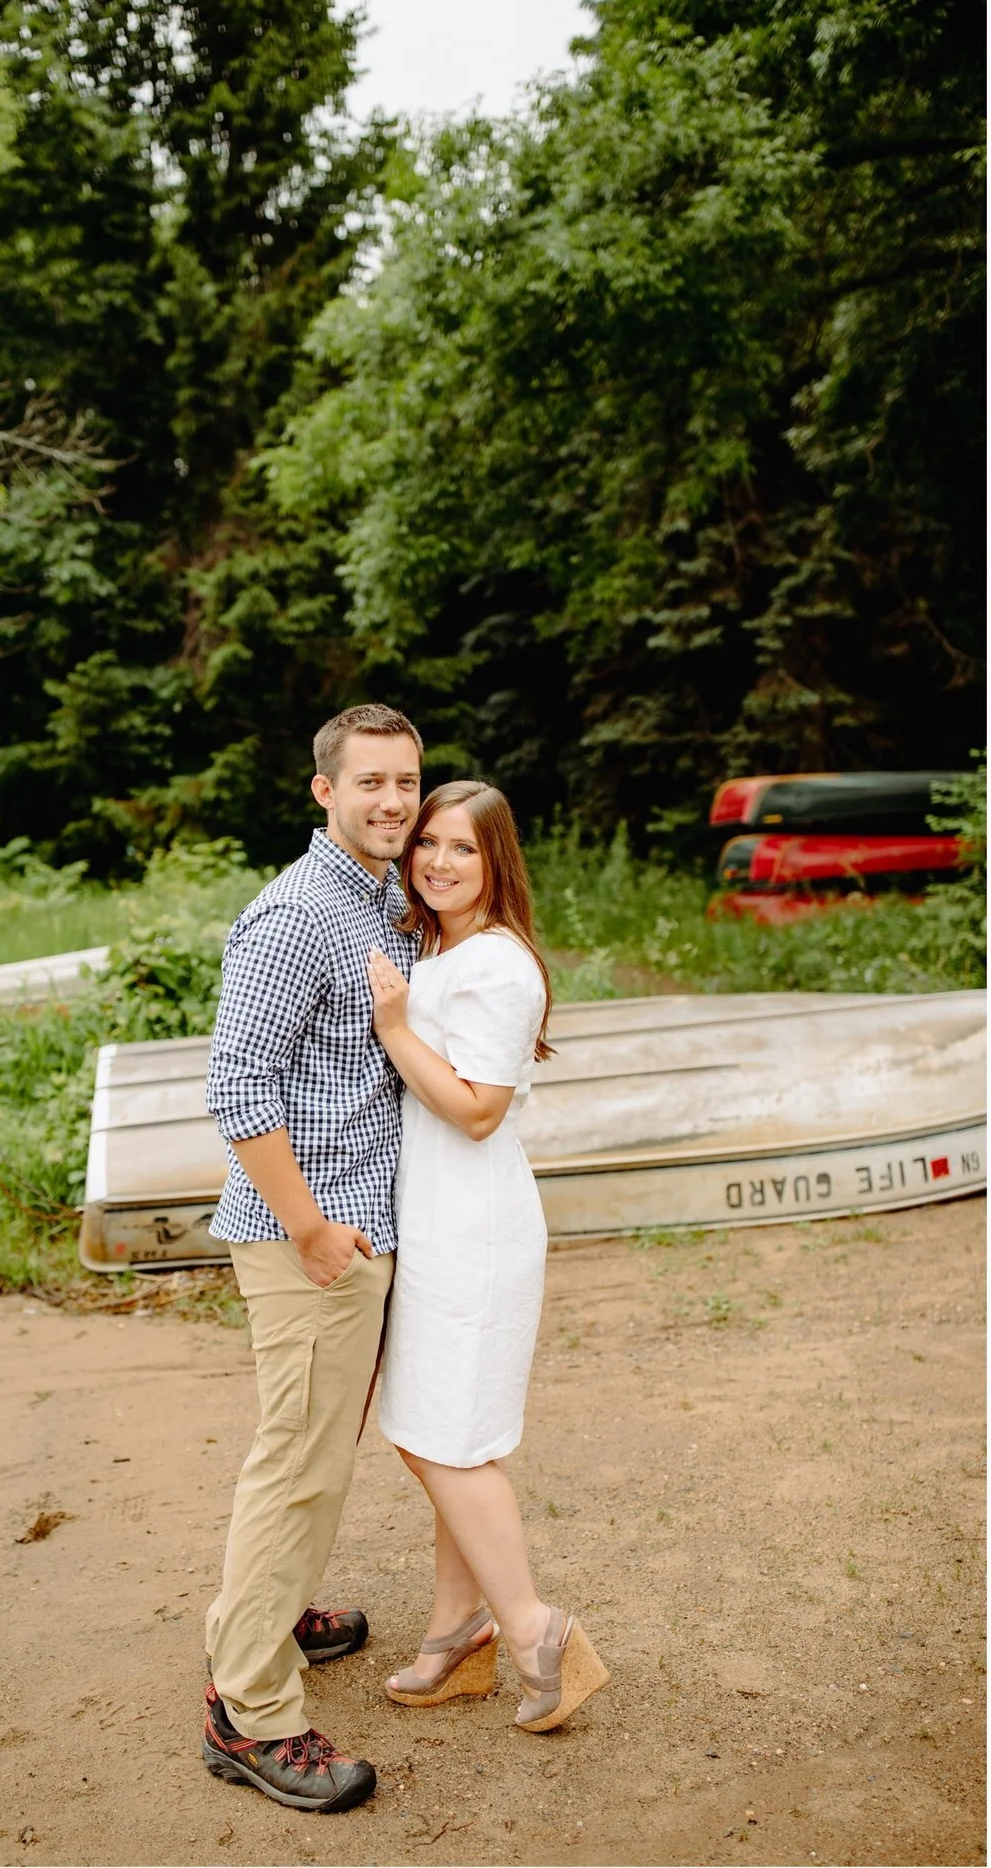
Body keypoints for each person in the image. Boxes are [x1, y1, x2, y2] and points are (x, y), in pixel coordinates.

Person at [198, 703, 424, 1814]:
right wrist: (311, 1227)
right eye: (370, 781)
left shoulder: (379, 899)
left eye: (405, 781)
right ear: (323, 790)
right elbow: (237, 1084)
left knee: (310, 1448)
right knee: (298, 1464)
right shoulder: (294, 914)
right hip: (312, 1239)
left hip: (359, 1225)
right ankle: (251, 1710)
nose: (392, 800)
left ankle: (271, 1610)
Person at [366, 780, 611, 1735]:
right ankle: (455, 1629)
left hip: (475, 1223)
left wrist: (392, 1030)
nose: (437, 862)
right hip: (431, 1215)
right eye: (427, 843)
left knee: (443, 1439)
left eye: (462, 849)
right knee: (439, 1429)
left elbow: (476, 1110)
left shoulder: (501, 967)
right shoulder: (440, 947)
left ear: (496, 860)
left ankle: (534, 1627)